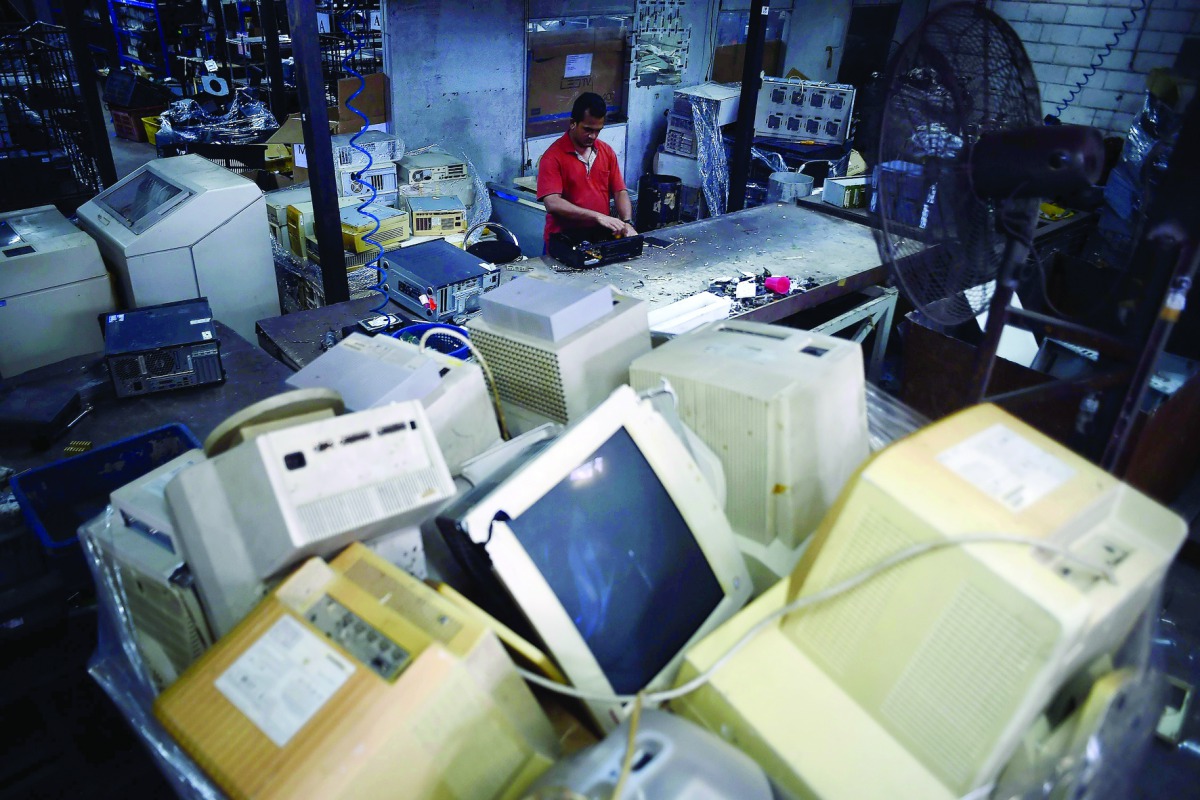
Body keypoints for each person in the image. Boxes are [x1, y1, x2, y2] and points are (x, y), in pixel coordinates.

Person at [537, 92, 637, 245]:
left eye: (598, 130)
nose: (593, 136)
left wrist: (627, 223)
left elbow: (619, 191)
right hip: (564, 239)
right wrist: (597, 216)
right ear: (573, 123)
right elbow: (552, 203)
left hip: (599, 236)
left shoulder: (606, 152)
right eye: (588, 129)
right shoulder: (552, 157)